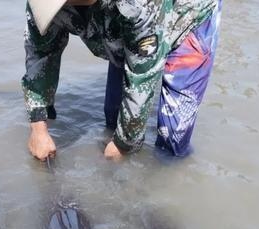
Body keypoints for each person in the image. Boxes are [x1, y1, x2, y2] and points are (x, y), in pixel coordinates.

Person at [23, 0, 222, 161]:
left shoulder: (139, 5)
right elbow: (40, 53)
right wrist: (38, 128)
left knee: (172, 139)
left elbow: (142, 77)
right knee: (113, 119)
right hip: (125, 29)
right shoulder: (43, 5)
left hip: (188, 17)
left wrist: (123, 145)